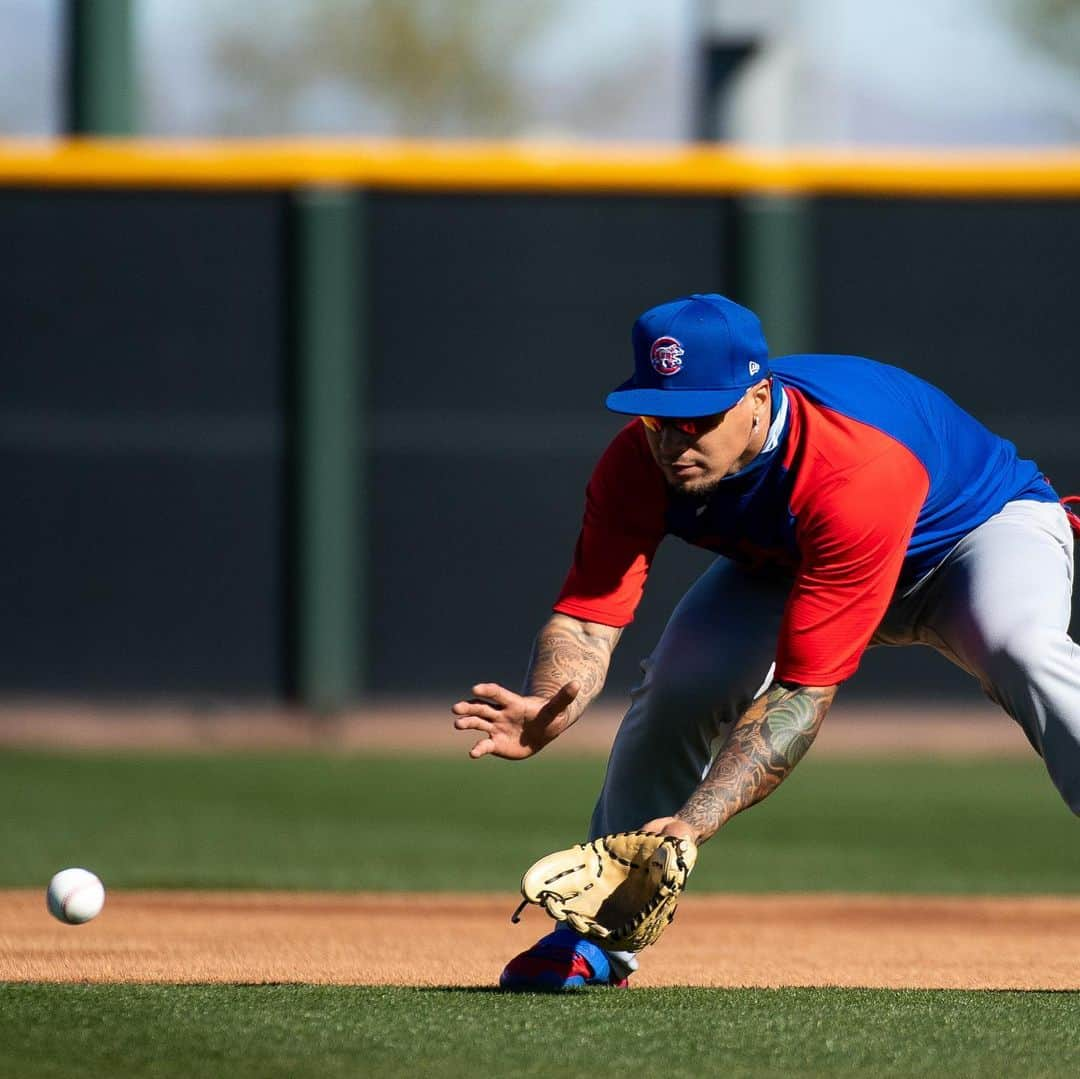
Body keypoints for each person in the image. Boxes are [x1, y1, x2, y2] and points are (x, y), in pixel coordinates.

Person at [451, 292, 1080, 991]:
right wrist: (550, 696)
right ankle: (599, 938)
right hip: (798, 561)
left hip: (972, 537)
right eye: (659, 416)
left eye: (700, 417)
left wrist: (693, 822)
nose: (674, 439)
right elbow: (588, 618)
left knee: (1023, 648)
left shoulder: (851, 464)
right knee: (681, 681)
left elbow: (803, 692)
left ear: (758, 396)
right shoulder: (642, 461)